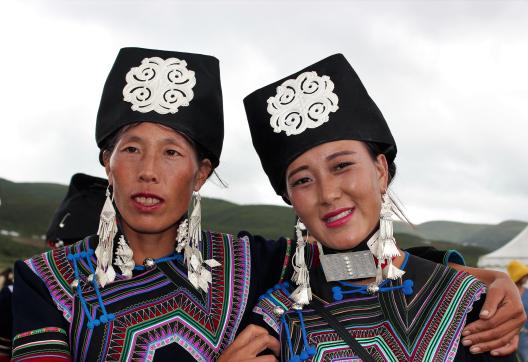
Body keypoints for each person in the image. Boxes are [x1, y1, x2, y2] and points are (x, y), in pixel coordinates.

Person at [10, 48, 524, 362]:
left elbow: (352, 262)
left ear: (202, 173)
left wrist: (484, 280)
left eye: (172, 153)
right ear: (107, 161)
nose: (149, 171)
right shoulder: (47, 282)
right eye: (131, 150)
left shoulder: (249, 264)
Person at [240, 53, 524, 361]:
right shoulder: (275, 322)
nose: (328, 194)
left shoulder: (475, 307)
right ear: (290, 199)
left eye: (342, 165)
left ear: (380, 170)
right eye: (303, 180)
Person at [507, 260, 528, 361]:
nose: (526, 277)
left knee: (525, 356)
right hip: (507, 331)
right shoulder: (507, 292)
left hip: (524, 332)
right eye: (524, 275)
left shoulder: (527, 293)